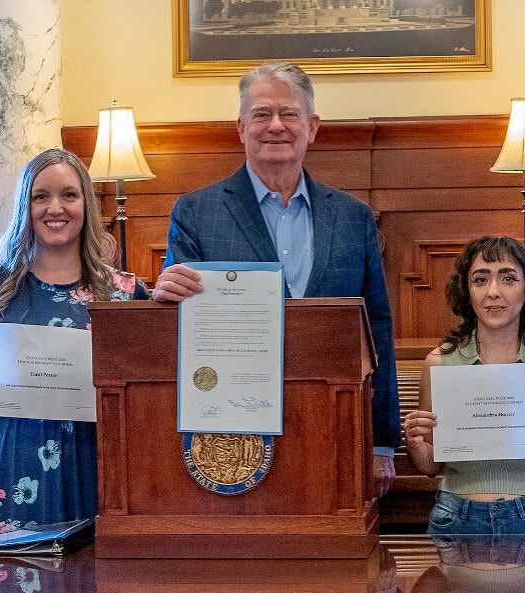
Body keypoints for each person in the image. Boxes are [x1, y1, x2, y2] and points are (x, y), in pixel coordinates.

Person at [149, 61, 401, 497]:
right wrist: (164, 299)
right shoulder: (195, 213)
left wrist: (381, 442)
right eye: (262, 114)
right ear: (241, 127)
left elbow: (376, 330)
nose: (276, 126)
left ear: (313, 126)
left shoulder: (353, 217)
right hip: (231, 435)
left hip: (333, 426)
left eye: (290, 114)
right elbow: (181, 329)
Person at [0, 148, 150, 538]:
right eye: (41, 196)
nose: (56, 207)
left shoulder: (125, 292)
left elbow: (148, 397)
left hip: (98, 463)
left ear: (86, 202)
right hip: (11, 465)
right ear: (26, 205)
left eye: (69, 195)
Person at [402, 235, 525, 535]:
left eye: (508, 278)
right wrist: (415, 441)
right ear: (467, 291)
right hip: (456, 512)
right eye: (480, 279)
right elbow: (429, 466)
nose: (493, 292)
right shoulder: (439, 363)